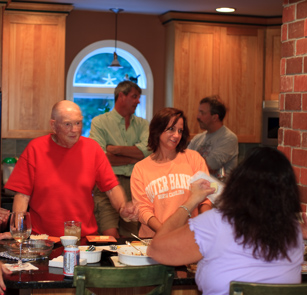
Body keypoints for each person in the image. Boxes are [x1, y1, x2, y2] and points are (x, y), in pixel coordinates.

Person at [148, 147, 304, 295]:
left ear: (238, 183)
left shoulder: (216, 223)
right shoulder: (294, 231)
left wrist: (192, 200)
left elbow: (156, 249)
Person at [1, 100, 136, 238]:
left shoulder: (93, 149)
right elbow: (23, 195)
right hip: (42, 240)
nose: (75, 129)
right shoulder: (35, 149)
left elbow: (111, 188)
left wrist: (122, 207)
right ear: (53, 125)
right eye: (68, 124)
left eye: (78, 123)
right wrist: (18, 230)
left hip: (82, 241)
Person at [131, 107, 213, 238]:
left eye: (180, 131)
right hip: (154, 239)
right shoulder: (140, 168)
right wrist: (166, 233)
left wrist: (208, 223)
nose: (177, 135)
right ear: (157, 130)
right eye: (171, 129)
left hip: (189, 237)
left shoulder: (194, 158)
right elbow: (143, 210)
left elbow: (206, 197)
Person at [89, 81, 150, 238]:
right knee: (109, 237)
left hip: (135, 186)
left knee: (132, 237)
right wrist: (134, 156)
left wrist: (115, 150)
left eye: (139, 97)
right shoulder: (100, 122)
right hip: (106, 185)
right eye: (134, 97)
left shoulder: (143, 125)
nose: (138, 101)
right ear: (121, 96)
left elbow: (147, 153)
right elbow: (100, 158)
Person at [188, 95, 238, 179]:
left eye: (202, 113)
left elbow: (211, 165)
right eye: (199, 112)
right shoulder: (197, 138)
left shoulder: (229, 138)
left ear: (215, 117)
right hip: (199, 189)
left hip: (220, 191)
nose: (198, 116)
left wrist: (206, 167)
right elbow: (184, 162)